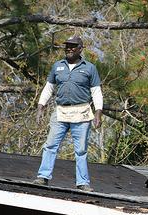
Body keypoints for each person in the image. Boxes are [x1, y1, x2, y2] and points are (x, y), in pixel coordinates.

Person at [34, 36, 103, 192]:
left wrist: (98, 113)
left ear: (80, 49)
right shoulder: (57, 66)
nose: (69, 49)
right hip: (61, 111)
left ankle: (82, 182)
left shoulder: (89, 68)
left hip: (82, 112)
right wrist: (40, 106)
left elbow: (96, 92)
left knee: (81, 150)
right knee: (50, 145)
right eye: (67, 46)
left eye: (73, 46)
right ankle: (43, 177)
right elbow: (49, 88)